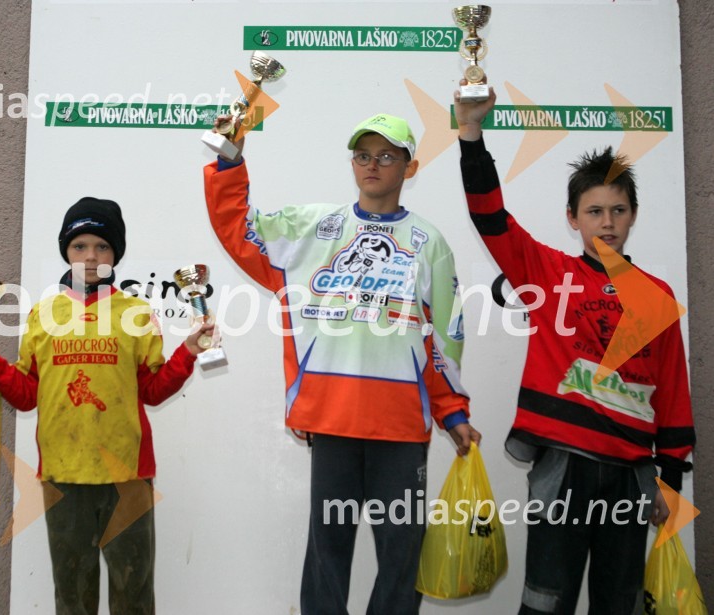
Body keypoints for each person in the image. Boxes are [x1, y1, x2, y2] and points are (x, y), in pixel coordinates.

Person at [203, 114, 480, 614]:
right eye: (363, 155)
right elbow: (239, 229)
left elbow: (442, 340)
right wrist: (231, 163)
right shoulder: (314, 228)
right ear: (352, 162)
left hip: (399, 427)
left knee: (402, 556)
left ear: (410, 166)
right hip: (333, 420)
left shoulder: (430, 243)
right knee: (328, 553)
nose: (373, 165)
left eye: (387, 156)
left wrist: (453, 412)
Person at [454, 84, 695, 614]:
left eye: (617, 210)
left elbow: (673, 390)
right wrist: (471, 134)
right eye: (593, 212)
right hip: (563, 467)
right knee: (546, 602)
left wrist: (670, 480)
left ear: (633, 215)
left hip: (633, 475)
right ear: (572, 217)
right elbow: (490, 218)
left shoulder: (657, 295)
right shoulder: (547, 273)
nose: (606, 223)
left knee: (620, 604)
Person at [0, 197, 213, 615]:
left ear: (115, 255)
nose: (91, 256)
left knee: (135, 598)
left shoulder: (136, 313)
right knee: (71, 598)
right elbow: (26, 394)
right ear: (66, 252)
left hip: (128, 475)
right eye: (80, 246)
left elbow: (154, 390)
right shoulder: (41, 315)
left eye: (102, 246)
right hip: (62, 475)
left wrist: (190, 351)